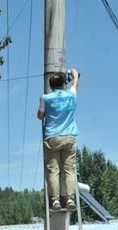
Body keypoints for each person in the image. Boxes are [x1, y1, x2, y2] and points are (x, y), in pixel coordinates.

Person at [37, 68, 80, 210]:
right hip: (69, 136)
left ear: (51, 85)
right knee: (69, 170)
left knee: (53, 171)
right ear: (63, 84)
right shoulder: (71, 95)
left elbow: (40, 116)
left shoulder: (45, 98)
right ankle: (70, 200)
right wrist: (73, 73)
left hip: (52, 137)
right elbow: (75, 83)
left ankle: (55, 201)